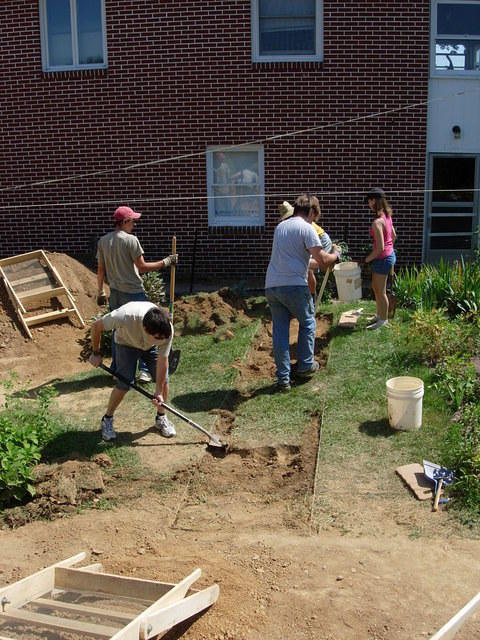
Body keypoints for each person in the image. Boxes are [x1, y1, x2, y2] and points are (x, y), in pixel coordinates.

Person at [266, 194, 340, 391]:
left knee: (280, 331)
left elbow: (304, 261)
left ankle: (283, 379)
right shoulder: (307, 228)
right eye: (314, 216)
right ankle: (306, 366)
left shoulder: (281, 227)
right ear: (310, 212)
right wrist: (336, 255)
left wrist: (326, 258)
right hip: (294, 285)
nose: (314, 220)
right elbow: (323, 261)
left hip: (272, 286)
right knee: (307, 322)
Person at [96, 205, 178, 382]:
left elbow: (101, 269)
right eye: (132, 221)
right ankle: (145, 370)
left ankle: (117, 369)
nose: (134, 224)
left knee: (118, 329)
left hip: (115, 293)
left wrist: (100, 291)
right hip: (133, 292)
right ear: (124, 221)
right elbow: (141, 267)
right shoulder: (131, 240)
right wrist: (165, 262)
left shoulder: (103, 241)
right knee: (146, 328)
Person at [88, 301, 175, 441]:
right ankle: (107, 419)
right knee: (124, 384)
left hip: (149, 348)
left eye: (163, 338)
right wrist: (96, 353)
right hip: (125, 344)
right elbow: (96, 326)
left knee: (164, 381)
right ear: (145, 329)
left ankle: (161, 417)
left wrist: (158, 391)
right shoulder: (124, 316)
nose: (161, 340)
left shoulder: (166, 332)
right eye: (158, 338)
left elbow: (162, 360)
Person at [278, 199, 334, 298]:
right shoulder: (290, 224)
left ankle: (311, 297)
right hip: (311, 242)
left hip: (321, 239)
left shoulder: (302, 223)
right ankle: (309, 296)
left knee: (308, 266)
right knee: (306, 266)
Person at [364, 187, 397, 330]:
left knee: (381, 291)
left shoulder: (377, 222)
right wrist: (390, 250)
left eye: (370, 201)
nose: (368, 204)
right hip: (388, 256)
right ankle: (379, 314)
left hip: (383, 258)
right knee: (376, 288)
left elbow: (380, 248)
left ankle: (383, 320)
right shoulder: (387, 217)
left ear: (375, 201)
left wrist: (366, 260)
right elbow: (394, 236)